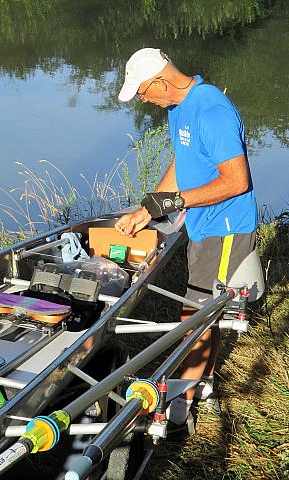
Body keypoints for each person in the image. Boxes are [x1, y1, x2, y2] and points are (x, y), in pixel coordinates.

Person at [115, 48, 257, 429]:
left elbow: (236, 181)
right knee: (202, 312)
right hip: (202, 225)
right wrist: (150, 208)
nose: (144, 100)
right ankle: (202, 383)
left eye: (144, 92)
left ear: (162, 81)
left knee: (194, 317)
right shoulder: (180, 108)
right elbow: (184, 163)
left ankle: (179, 406)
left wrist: (178, 201)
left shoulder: (212, 111)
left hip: (225, 228)